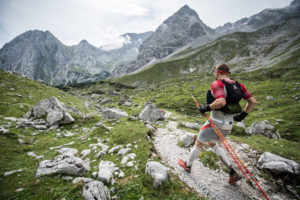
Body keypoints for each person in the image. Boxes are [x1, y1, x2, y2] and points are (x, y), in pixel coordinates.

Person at [178, 64, 257, 185]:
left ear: (217, 72)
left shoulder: (217, 84)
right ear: (227, 73)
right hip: (228, 126)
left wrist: (206, 108)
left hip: (216, 123)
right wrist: (242, 116)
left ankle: (187, 166)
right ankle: (232, 173)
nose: (214, 74)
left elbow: (221, 101)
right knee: (212, 143)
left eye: (214, 72)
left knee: (199, 143)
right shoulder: (239, 85)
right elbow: (253, 102)